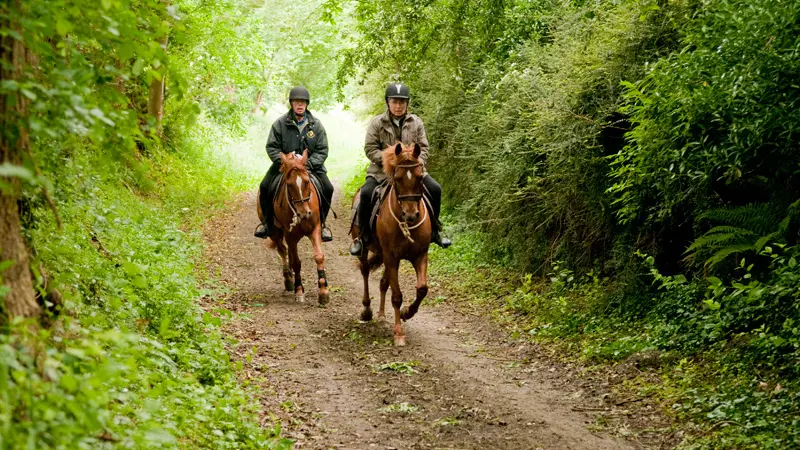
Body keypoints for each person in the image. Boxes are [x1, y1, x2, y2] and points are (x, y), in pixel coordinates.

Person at [349, 83, 451, 255]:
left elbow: (424, 148)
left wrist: (415, 163)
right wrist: (390, 161)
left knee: (435, 189)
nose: (398, 106)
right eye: (394, 102)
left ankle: (435, 230)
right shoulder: (377, 123)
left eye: (402, 102)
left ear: (407, 103)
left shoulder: (416, 122)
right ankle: (363, 236)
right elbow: (370, 149)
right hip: (381, 172)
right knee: (366, 193)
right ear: (388, 103)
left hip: (411, 170)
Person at [255, 86, 334, 241]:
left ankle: (323, 224)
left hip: (310, 167)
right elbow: (271, 147)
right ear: (291, 103)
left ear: (307, 104)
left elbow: (322, 150)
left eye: (303, 102)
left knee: (328, 188)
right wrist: (285, 162)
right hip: (285, 167)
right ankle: (267, 224)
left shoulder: (316, 125)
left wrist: (308, 164)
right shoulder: (279, 124)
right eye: (297, 101)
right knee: (264, 186)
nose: (300, 104)